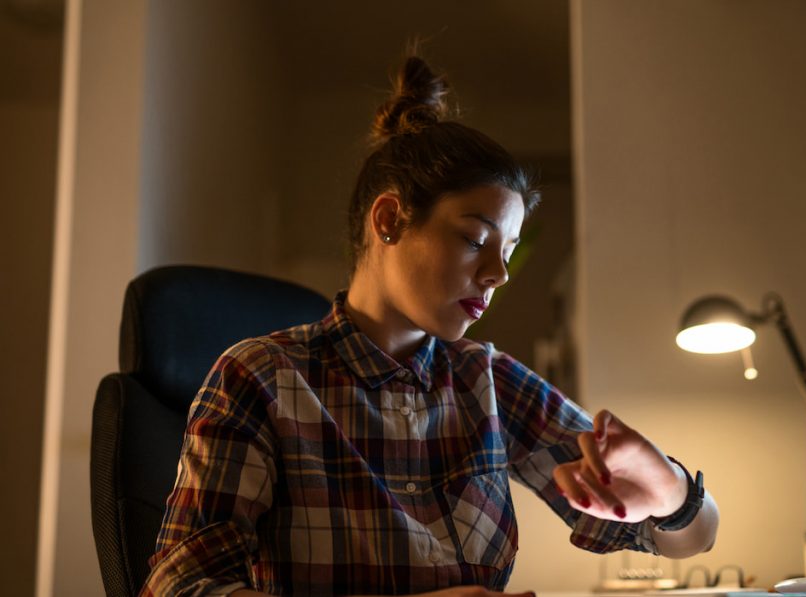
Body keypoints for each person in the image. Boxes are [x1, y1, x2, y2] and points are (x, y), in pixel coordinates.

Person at [141, 54, 718, 597]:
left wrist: (668, 492)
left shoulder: (485, 380)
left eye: (509, 254)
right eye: (475, 240)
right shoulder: (261, 377)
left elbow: (691, 538)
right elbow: (181, 588)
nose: (498, 275)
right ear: (389, 219)